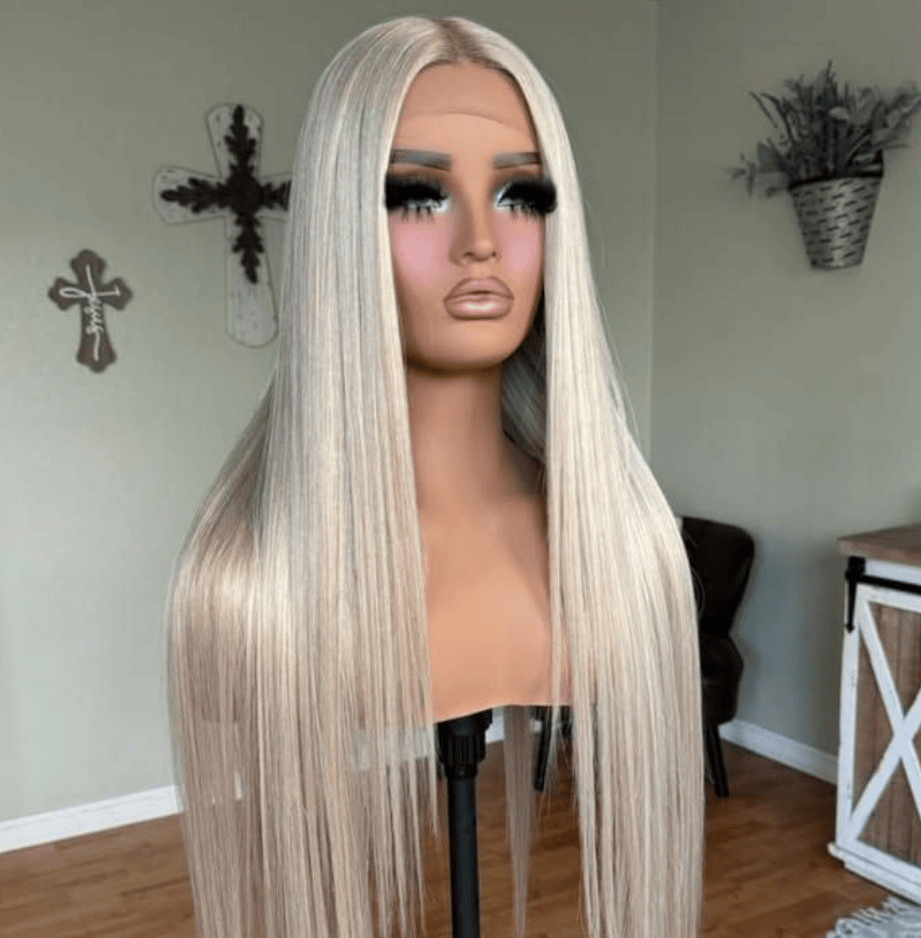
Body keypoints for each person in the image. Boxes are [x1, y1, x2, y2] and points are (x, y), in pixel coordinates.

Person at [167, 15, 702, 938]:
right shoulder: (249, 595)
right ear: (341, 230)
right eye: (418, 195)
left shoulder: (627, 558)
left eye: (521, 194)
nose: (480, 242)